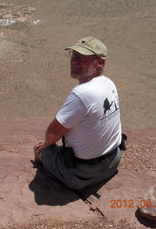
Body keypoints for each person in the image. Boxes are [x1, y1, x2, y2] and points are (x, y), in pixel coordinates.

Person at [34, 37, 123, 190]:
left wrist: (45, 149)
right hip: (114, 160)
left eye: (82, 58)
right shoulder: (109, 83)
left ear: (99, 63)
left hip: (83, 175)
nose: (75, 61)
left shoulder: (81, 94)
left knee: (41, 150)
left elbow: (53, 132)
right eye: (74, 56)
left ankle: (43, 160)